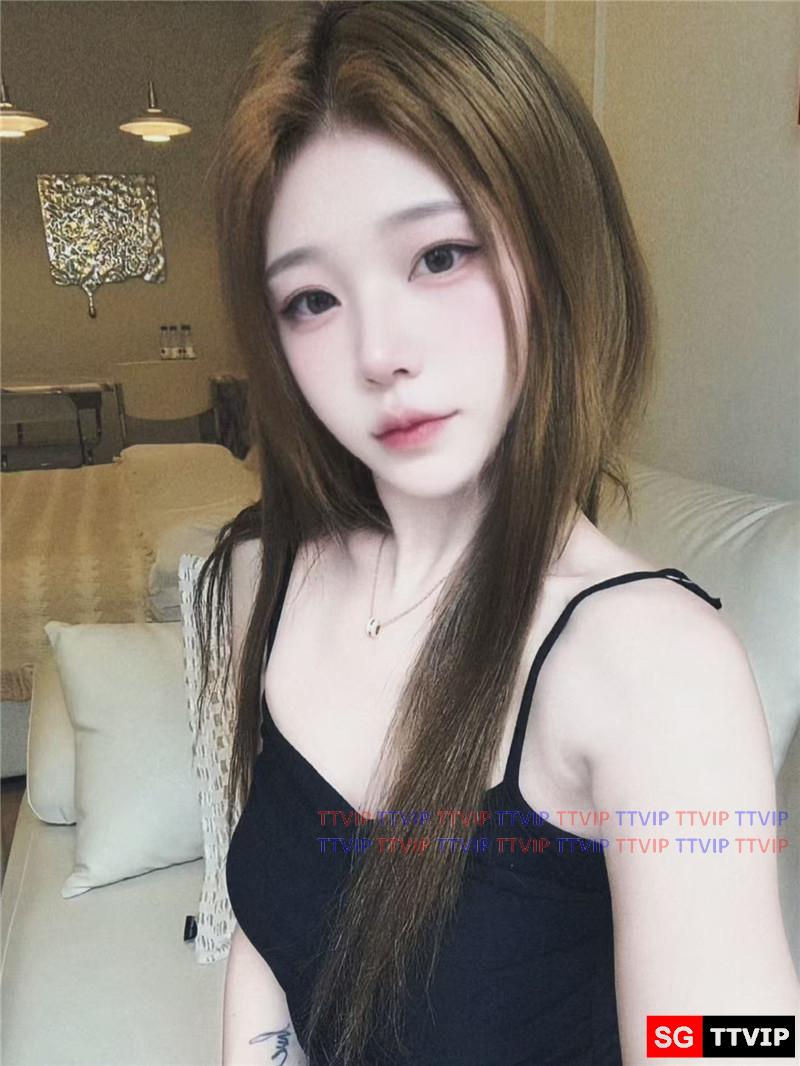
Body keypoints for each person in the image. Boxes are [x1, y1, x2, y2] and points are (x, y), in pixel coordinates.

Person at [193, 2, 800, 1063]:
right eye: (312, 301)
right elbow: (272, 930)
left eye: (439, 255)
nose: (378, 352)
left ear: (558, 251)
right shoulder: (266, 574)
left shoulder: (653, 666)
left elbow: (726, 1040)